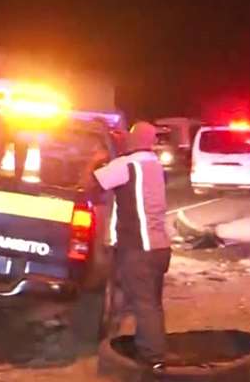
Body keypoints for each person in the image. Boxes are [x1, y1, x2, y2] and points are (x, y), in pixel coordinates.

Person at [88, 122, 171, 374]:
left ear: (133, 140)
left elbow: (93, 184)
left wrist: (95, 160)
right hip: (159, 248)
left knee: (143, 305)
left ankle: (153, 361)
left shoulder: (127, 165)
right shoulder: (153, 164)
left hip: (138, 249)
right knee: (151, 304)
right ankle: (150, 349)